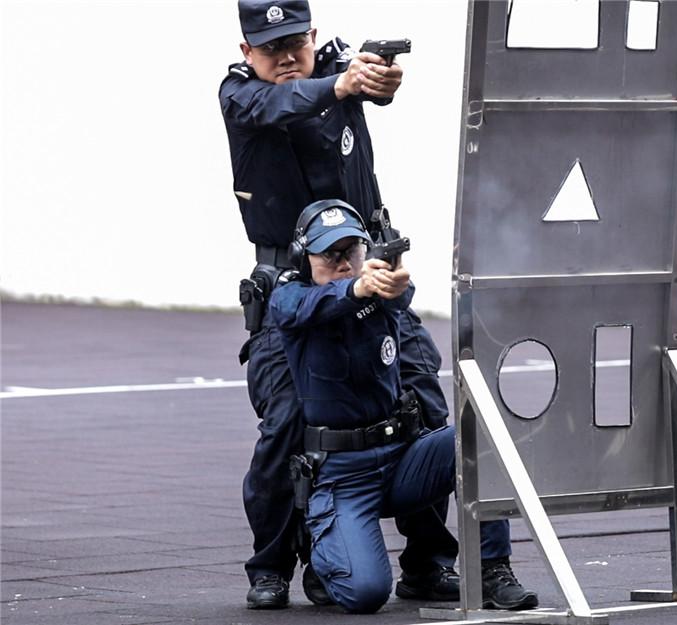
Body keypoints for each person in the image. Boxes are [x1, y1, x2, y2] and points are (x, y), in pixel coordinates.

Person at [219, 0, 453, 609]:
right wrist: (343, 84)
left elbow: (367, 83)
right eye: (270, 48)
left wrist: (378, 80)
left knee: (424, 400)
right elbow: (283, 103)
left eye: (295, 42)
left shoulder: (336, 66)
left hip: (368, 273)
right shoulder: (239, 94)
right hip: (293, 289)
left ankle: (431, 561)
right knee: (286, 422)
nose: (285, 57)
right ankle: (271, 566)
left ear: (313, 35)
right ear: (247, 52)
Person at [269, 199, 538, 613]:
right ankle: (324, 552)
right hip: (344, 475)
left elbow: (399, 291)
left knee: (477, 436)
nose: (343, 263)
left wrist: (389, 282)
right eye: (329, 254)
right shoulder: (290, 297)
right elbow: (301, 307)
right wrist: (356, 288)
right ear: (303, 259)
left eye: (351, 251)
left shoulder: (381, 289)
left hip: (399, 459)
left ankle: (490, 568)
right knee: (365, 594)